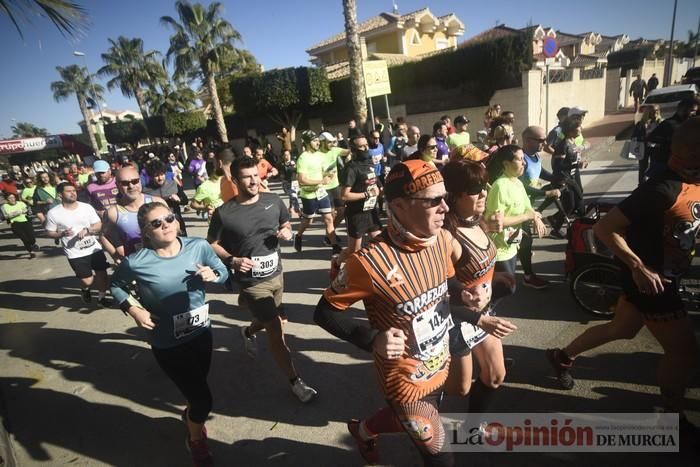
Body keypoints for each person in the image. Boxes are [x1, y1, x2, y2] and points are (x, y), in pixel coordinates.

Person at [546, 117, 700, 436]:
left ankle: (562, 356)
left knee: (623, 329)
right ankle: (670, 414)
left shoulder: (691, 181)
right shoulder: (660, 188)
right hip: (653, 282)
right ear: (690, 153)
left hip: (662, 275)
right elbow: (605, 228)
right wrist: (638, 266)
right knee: (683, 351)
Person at [315, 159, 457, 466]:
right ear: (400, 206)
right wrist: (372, 339)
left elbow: (443, 291)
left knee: (407, 422)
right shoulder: (367, 262)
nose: (445, 207)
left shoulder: (443, 239)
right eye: (434, 200)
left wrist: (468, 298)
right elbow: (324, 313)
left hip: (440, 363)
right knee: (441, 458)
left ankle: (362, 431)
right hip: (405, 382)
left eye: (445, 197)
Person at [110, 201, 228, 467]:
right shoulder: (136, 261)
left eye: (169, 218)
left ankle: (191, 416)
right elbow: (116, 286)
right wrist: (134, 310)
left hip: (201, 333)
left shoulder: (198, 246)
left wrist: (214, 274)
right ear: (146, 232)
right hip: (167, 342)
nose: (166, 225)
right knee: (203, 399)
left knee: (196, 387)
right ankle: (196, 439)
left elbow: (223, 273)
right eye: (156, 223)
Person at [207, 156, 318, 403]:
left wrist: (287, 231)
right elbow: (212, 243)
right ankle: (295, 381)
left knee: (270, 320)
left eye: (256, 175)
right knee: (277, 331)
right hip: (251, 281)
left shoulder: (273, 200)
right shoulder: (224, 213)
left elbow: (286, 223)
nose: (254, 180)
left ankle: (247, 331)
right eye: (247, 177)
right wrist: (232, 260)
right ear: (234, 181)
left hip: (276, 274)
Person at [441, 160, 517, 411]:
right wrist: (478, 318)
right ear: (454, 195)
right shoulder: (446, 237)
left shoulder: (475, 221)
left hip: (482, 314)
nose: (484, 192)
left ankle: (473, 426)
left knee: (495, 375)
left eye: (484, 185)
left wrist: (495, 280)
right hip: (455, 320)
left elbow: (476, 270)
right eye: (475, 188)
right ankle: (420, 385)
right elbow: (434, 297)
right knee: (458, 389)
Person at [484, 145, 546, 290]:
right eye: (520, 159)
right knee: (506, 287)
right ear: (506, 163)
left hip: (512, 245)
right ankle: (486, 309)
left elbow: (527, 206)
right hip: (499, 249)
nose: (524, 163)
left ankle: (489, 308)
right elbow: (495, 222)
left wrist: (535, 218)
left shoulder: (518, 183)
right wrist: (526, 216)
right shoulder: (500, 186)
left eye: (524, 159)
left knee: (508, 287)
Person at [45, 183, 110, 306]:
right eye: (68, 191)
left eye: (74, 190)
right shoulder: (53, 213)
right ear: (60, 195)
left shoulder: (86, 207)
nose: (73, 193)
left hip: (94, 249)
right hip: (75, 253)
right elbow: (50, 232)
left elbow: (98, 224)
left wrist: (88, 230)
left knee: (102, 274)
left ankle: (102, 298)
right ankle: (85, 289)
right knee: (88, 280)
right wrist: (61, 234)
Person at [518, 126, 562, 288]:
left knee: (522, 240)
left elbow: (540, 172)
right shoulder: (520, 159)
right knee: (526, 241)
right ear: (528, 140)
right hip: (518, 206)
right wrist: (546, 194)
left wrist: (557, 178)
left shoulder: (535, 156)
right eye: (541, 140)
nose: (544, 143)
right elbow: (521, 187)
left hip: (527, 204)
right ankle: (528, 277)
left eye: (544, 139)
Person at [100, 167, 165, 262]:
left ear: (140, 181)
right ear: (117, 185)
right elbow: (103, 235)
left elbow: (175, 226)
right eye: (125, 183)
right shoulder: (113, 213)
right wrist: (115, 255)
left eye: (135, 181)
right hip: (139, 265)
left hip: (164, 258)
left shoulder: (157, 202)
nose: (131, 186)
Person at [294, 130, 341, 254]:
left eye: (318, 140)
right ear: (308, 143)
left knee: (329, 218)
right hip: (308, 195)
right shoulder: (302, 158)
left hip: (321, 193)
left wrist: (328, 174)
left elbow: (320, 172)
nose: (318, 143)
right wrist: (322, 180)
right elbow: (302, 181)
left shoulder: (319, 155)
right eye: (315, 141)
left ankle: (335, 246)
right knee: (308, 221)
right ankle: (298, 235)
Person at [339, 135, 382, 253]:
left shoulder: (369, 162)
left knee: (379, 246)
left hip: (371, 211)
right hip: (356, 214)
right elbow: (344, 195)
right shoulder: (351, 168)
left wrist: (381, 188)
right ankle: (337, 263)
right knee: (354, 251)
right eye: (361, 146)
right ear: (354, 149)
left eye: (366, 145)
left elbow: (374, 179)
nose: (365, 148)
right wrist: (367, 194)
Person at [548, 119, 588, 238]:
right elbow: (558, 165)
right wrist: (576, 165)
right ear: (571, 131)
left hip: (571, 178)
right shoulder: (563, 145)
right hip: (563, 179)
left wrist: (579, 162)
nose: (581, 129)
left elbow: (572, 160)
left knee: (577, 203)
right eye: (578, 127)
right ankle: (555, 229)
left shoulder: (572, 142)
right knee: (570, 205)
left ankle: (555, 221)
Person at [646, 97, 699, 179]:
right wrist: (669, 142)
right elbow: (651, 140)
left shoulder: (690, 126)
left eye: (695, 111)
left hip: (683, 170)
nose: (694, 114)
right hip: (665, 166)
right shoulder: (668, 124)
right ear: (682, 109)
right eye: (692, 110)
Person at [142, 159, 189, 236]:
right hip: (158, 226)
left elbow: (185, 201)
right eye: (156, 176)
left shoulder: (173, 185)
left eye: (162, 174)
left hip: (176, 221)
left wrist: (178, 199)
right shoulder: (145, 191)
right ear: (151, 176)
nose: (160, 178)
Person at [319, 132, 351, 231]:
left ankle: (330, 234)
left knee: (342, 212)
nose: (331, 144)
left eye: (332, 142)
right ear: (322, 142)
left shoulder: (334, 150)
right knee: (331, 215)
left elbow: (349, 151)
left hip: (335, 186)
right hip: (323, 188)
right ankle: (330, 236)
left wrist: (349, 156)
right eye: (329, 142)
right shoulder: (316, 155)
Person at [1, 192, 38, 258]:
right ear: (7, 199)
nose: (12, 199)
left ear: (15, 198)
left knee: (32, 238)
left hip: (26, 221)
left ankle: (33, 244)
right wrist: (18, 212)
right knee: (24, 239)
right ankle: (31, 252)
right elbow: (5, 216)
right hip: (15, 224)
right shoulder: (4, 206)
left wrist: (13, 214)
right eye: (10, 198)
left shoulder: (21, 203)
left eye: (13, 197)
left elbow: (26, 210)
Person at [632, 104, 662, 184]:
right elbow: (634, 136)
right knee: (643, 168)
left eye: (656, 112)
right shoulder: (641, 124)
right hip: (643, 148)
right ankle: (641, 185)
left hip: (656, 148)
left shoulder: (661, 123)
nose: (654, 114)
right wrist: (643, 137)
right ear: (647, 113)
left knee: (655, 166)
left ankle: (653, 184)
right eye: (652, 112)